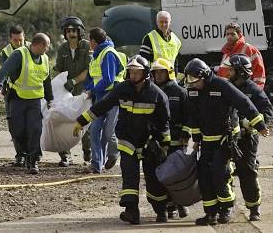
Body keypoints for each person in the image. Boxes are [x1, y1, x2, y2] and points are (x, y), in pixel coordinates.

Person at [73, 55, 171, 224]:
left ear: (146, 73)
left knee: (153, 179)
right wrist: (82, 121)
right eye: (130, 72)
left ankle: (161, 211)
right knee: (129, 177)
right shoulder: (122, 89)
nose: (132, 75)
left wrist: (164, 145)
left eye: (136, 72)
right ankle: (132, 212)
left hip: (149, 143)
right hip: (128, 141)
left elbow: (164, 122)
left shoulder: (157, 95)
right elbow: (103, 104)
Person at [183, 58, 268, 225]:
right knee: (204, 174)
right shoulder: (192, 90)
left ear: (205, 76)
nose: (193, 84)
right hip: (207, 138)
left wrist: (259, 124)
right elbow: (193, 115)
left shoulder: (221, 85)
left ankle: (226, 208)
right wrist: (197, 138)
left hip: (226, 137)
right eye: (190, 80)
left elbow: (243, 102)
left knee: (219, 171)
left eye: (196, 80)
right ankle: (211, 213)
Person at [0, 33, 53, 175]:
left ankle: (33, 161)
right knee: (17, 130)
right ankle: (24, 154)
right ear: (40, 45)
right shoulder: (19, 54)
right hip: (17, 98)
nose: (48, 49)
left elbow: (47, 80)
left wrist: (50, 99)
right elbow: (5, 69)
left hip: (35, 100)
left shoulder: (44, 59)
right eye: (47, 46)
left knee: (35, 129)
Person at [224, 54, 273, 221]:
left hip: (247, 139)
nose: (228, 72)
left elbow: (267, 113)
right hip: (229, 138)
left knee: (248, 172)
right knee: (225, 172)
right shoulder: (225, 87)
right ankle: (227, 207)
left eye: (232, 70)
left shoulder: (254, 91)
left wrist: (251, 123)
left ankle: (254, 208)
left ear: (241, 72)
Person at [150, 58, 191, 219]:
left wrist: (186, 133)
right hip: (159, 143)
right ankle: (169, 206)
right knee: (163, 176)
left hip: (177, 141)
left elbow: (189, 115)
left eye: (161, 72)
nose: (158, 75)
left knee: (178, 175)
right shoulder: (150, 91)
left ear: (169, 73)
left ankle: (180, 204)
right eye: (156, 72)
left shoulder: (180, 92)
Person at [83, 27, 127, 174]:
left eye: (90, 40)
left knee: (108, 132)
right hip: (99, 98)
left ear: (93, 41)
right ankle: (96, 164)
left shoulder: (108, 54)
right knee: (95, 130)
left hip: (112, 98)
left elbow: (108, 79)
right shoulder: (96, 56)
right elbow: (92, 78)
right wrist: (89, 89)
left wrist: (93, 90)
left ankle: (114, 153)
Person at [53, 16, 92, 167]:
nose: (71, 33)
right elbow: (59, 68)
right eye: (68, 31)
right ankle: (65, 155)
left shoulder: (87, 46)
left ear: (80, 31)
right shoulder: (62, 48)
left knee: (86, 122)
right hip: (66, 91)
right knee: (62, 122)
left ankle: (88, 154)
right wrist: (59, 82)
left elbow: (89, 70)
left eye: (74, 30)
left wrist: (74, 81)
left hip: (84, 90)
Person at [0, 25, 30, 167]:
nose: (19, 43)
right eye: (16, 40)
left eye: (21, 40)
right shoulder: (5, 52)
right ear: (10, 39)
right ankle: (20, 155)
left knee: (32, 125)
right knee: (14, 125)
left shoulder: (32, 47)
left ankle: (31, 154)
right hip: (13, 93)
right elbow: (6, 71)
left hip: (32, 92)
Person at [217, 22, 266, 89]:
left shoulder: (249, 49)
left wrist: (256, 91)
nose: (229, 37)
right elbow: (221, 73)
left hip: (244, 90)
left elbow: (259, 72)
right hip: (229, 91)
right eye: (227, 34)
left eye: (232, 34)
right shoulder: (226, 52)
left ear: (239, 34)